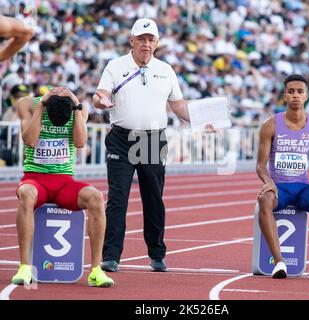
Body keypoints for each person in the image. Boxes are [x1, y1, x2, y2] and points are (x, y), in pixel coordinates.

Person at [93, 18, 207, 273]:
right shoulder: (115, 66)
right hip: (121, 139)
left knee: (153, 199)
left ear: (156, 43)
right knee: (117, 198)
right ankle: (110, 256)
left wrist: (202, 120)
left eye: (150, 39)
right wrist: (99, 100)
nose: (146, 44)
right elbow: (101, 93)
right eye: (141, 39)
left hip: (152, 140)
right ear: (131, 40)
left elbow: (178, 105)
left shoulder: (166, 70)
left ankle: (157, 254)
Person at [12, 87, 114, 287]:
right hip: (35, 179)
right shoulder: (27, 104)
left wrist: (76, 108)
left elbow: (80, 142)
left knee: (96, 197)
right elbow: (30, 140)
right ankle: (24, 267)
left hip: (64, 182)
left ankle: (95, 270)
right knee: (25, 193)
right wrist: (41, 109)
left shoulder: (79, 109)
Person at [256, 74, 309, 280]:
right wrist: (268, 182)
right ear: (285, 95)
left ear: (306, 96)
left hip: (304, 189)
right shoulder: (270, 125)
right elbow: (260, 165)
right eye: (291, 91)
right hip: (281, 189)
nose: (295, 95)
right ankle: (279, 263)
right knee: (264, 200)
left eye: (300, 92)